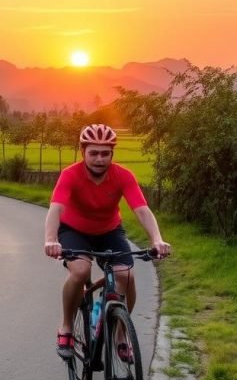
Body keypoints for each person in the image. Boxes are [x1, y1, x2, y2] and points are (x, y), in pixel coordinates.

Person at [44, 123, 172, 359]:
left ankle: (121, 333)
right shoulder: (70, 174)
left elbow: (142, 210)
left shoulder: (123, 176)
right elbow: (56, 208)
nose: (99, 159)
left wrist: (157, 239)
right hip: (74, 230)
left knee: (126, 275)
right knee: (80, 271)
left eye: (105, 153)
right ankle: (66, 327)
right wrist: (51, 240)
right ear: (83, 152)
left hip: (109, 231)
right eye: (94, 153)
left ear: (112, 154)